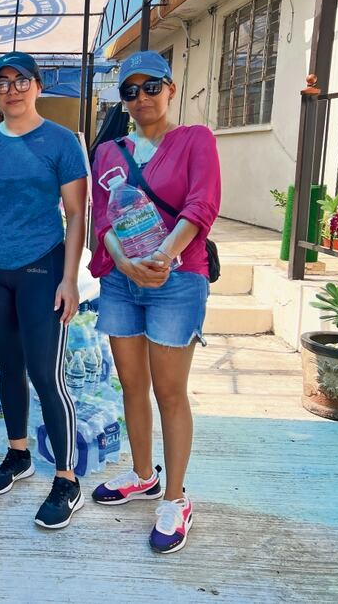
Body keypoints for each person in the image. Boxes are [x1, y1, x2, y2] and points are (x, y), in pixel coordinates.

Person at [87, 50, 221, 554]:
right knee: (131, 384)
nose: (141, 98)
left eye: (150, 87)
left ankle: (176, 497)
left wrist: (163, 255)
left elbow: (201, 204)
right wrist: (122, 262)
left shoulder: (195, 141)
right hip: (122, 280)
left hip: (178, 278)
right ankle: (143, 474)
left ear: (170, 87)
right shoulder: (109, 152)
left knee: (169, 390)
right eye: (130, 91)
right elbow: (102, 220)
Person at [0, 52, 89, 529]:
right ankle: (18, 454)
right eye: (2, 82)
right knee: (7, 366)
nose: (11, 89)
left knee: (46, 374)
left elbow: (76, 213)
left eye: (20, 80)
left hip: (42, 266)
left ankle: (67, 480)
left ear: (38, 86)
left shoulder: (60, 141)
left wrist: (70, 278)